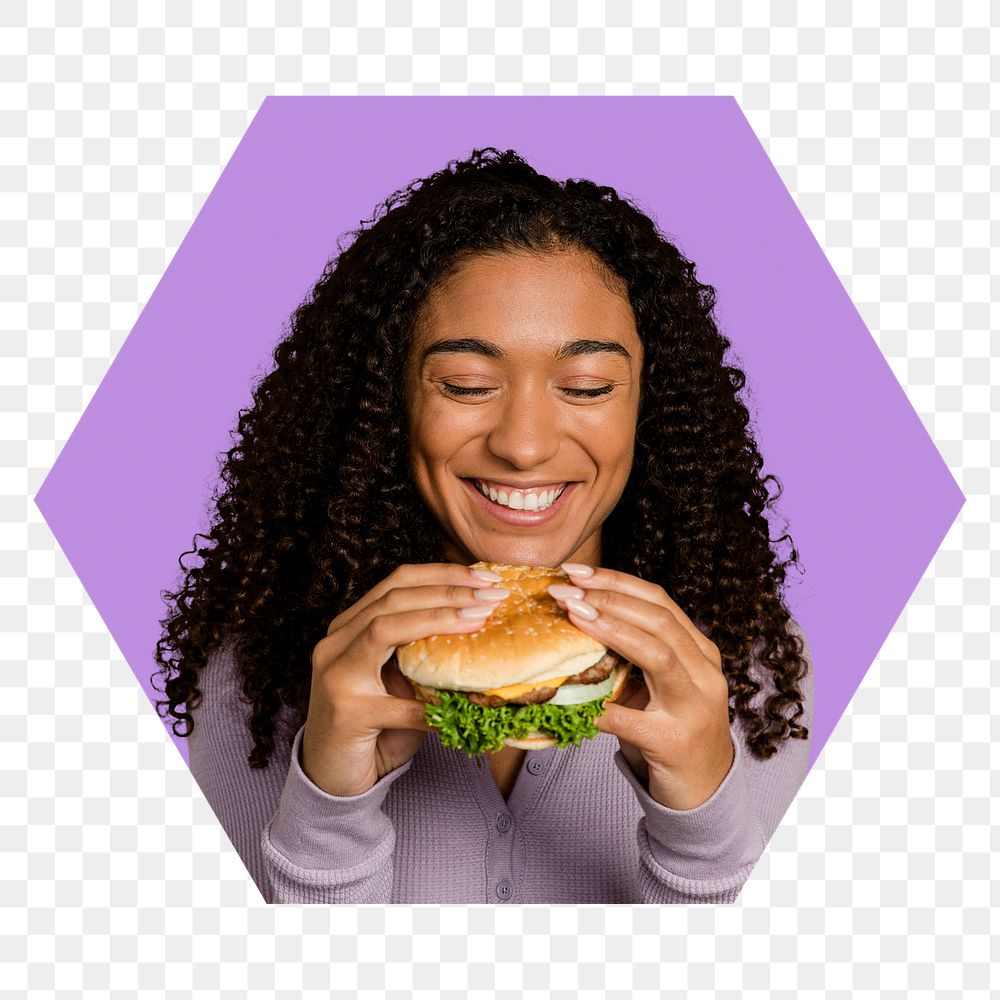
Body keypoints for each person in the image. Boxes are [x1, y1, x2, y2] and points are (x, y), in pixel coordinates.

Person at [154, 147, 812, 904]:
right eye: (467, 384)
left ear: (649, 409)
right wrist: (330, 803)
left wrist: (701, 815)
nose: (524, 444)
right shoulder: (261, 677)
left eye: (587, 386)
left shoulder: (750, 669)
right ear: (387, 402)